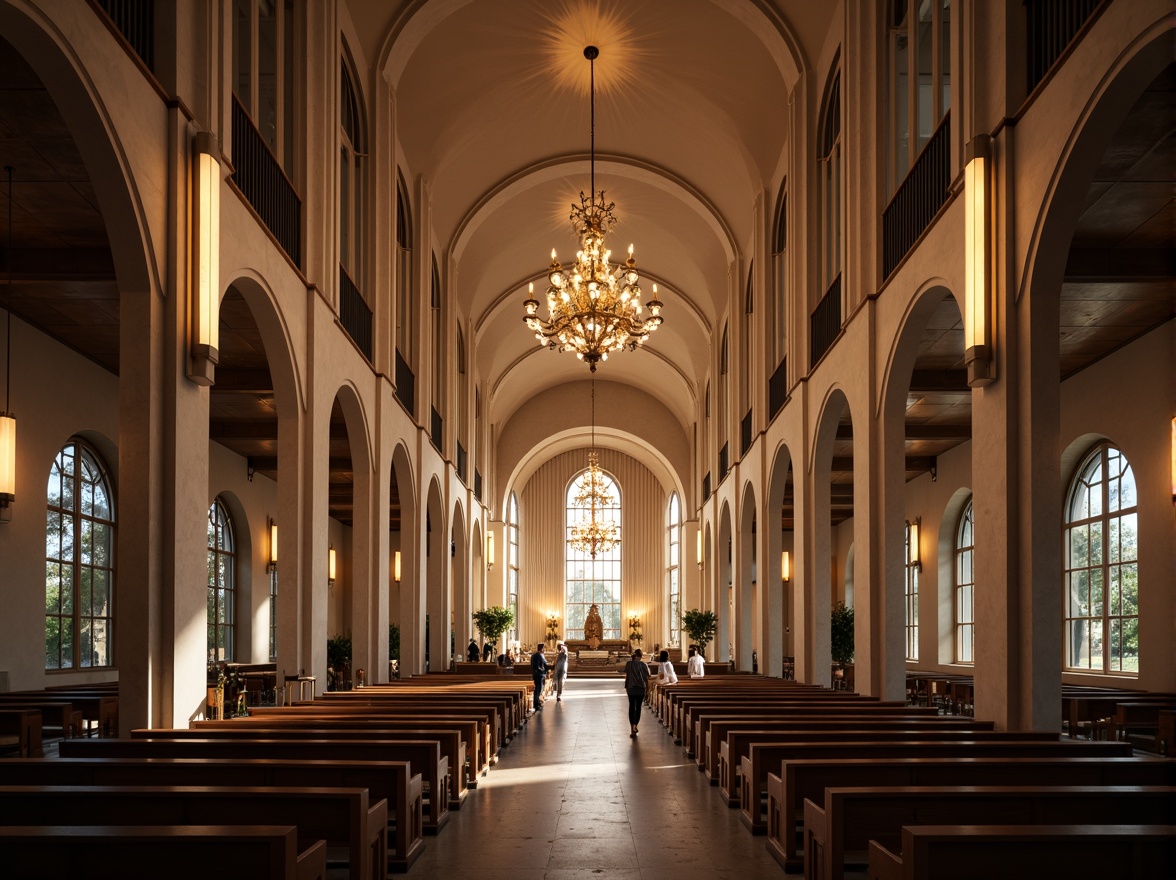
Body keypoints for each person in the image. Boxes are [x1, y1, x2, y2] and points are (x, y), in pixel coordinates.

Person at [623, 648, 651, 737]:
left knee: (631, 706)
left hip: (630, 688)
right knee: (638, 707)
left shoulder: (628, 664)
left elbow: (626, 673)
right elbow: (648, 676)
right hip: (640, 688)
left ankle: (632, 727)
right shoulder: (643, 664)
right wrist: (648, 690)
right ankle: (635, 725)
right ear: (641, 656)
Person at [530, 643, 548, 711]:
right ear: (541, 648)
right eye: (544, 648)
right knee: (538, 690)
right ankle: (536, 705)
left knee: (539, 690)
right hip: (538, 675)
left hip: (538, 675)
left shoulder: (537, 655)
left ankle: (537, 703)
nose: (544, 650)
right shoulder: (537, 656)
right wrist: (543, 671)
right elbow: (537, 667)